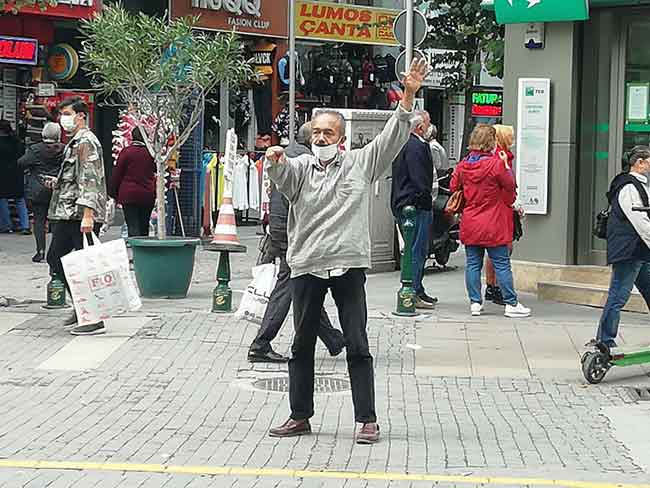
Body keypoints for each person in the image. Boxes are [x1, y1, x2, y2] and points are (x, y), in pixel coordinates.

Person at [265, 58, 429, 445]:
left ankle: (367, 419)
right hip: (307, 265)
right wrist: (274, 161)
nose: (321, 138)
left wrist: (408, 94)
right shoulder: (301, 167)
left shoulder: (360, 163)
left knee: (357, 342)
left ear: (341, 138)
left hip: (348, 265)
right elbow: (283, 175)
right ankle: (299, 415)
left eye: (329, 133)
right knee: (301, 344)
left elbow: (392, 136)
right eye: (317, 132)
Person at [248, 122, 346, 363]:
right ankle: (261, 343)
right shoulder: (305, 163)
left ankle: (333, 339)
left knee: (304, 286)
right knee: (290, 287)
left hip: (282, 231)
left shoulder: (285, 156)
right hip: (295, 235)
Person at [450, 124, 530, 318]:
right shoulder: (495, 164)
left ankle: (475, 303)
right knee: (502, 264)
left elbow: (454, 186)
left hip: (471, 221)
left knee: (473, 264)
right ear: (490, 142)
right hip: (494, 221)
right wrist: (504, 164)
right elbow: (511, 185)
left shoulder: (463, 165)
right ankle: (511, 304)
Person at [47, 96, 107, 336]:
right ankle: (83, 308)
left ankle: (91, 316)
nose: (64, 119)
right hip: (68, 212)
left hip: (79, 214)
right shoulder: (75, 141)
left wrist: (88, 215)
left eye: (68, 113)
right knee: (57, 259)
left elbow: (89, 178)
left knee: (79, 265)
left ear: (81, 115)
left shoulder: (86, 142)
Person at [592, 147, 650, 348]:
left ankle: (604, 339)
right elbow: (639, 220)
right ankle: (605, 341)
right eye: (648, 160)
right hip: (629, 251)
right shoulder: (628, 187)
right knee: (618, 295)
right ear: (639, 163)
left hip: (639, 250)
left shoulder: (638, 185)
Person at [391, 110, 438, 309]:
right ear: (420, 127)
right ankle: (413, 289)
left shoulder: (402, 144)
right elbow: (420, 178)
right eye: (427, 124)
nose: (429, 127)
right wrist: (425, 199)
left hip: (404, 202)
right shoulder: (416, 146)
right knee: (417, 250)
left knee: (414, 249)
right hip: (415, 206)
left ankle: (417, 288)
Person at [483, 124, 523, 306]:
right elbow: (508, 184)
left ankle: (492, 286)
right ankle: (498, 288)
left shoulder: (496, 155)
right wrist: (514, 203)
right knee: (502, 249)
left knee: (494, 251)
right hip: (501, 209)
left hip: (497, 208)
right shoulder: (501, 157)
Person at [18, 123, 65, 262]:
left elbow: (21, 162)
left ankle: (40, 251)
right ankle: (57, 251)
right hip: (57, 188)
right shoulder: (64, 149)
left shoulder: (35, 149)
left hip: (38, 189)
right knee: (56, 220)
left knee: (39, 220)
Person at [109, 127, 156, 237]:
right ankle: (144, 248)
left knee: (132, 225)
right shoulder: (151, 153)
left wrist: (113, 193)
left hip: (129, 195)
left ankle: (135, 248)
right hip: (147, 195)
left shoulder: (126, 152)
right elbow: (156, 170)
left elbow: (117, 173)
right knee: (144, 225)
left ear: (132, 136)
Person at [0, 120, 30, 235]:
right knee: (19, 199)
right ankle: (25, 225)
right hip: (17, 173)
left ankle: (6, 225)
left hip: (2, 174)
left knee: (2, 199)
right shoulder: (17, 141)